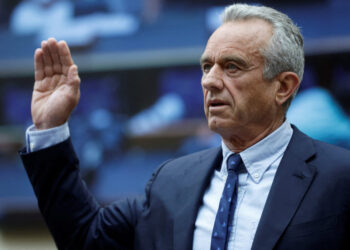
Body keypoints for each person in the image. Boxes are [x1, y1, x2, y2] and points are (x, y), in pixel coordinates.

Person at [20, 3, 350, 250]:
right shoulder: (171, 181)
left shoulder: (340, 177)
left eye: (232, 67)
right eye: (207, 66)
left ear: (283, 86)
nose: (210, 81)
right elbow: (84, 237)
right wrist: (50, 129)